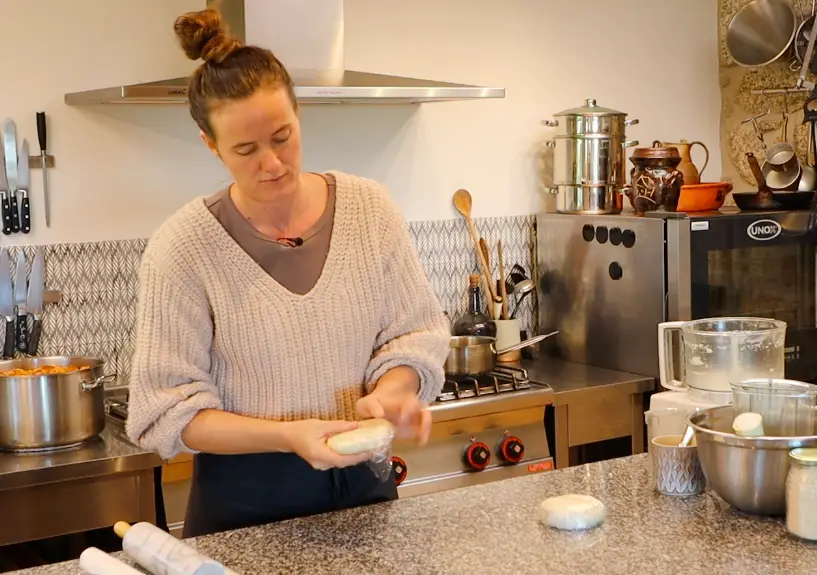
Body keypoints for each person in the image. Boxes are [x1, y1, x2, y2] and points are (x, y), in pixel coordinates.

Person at [126, 7, 450, 538]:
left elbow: (414, 332)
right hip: (245, 513)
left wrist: (396, 387)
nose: (272, 164)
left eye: (282, 136)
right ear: (211, 145)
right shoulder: (181, 249)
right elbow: (167, 411)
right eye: (246, 150)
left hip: (366, 495)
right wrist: (289, 436)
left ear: (300, 115)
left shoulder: (370, 210)